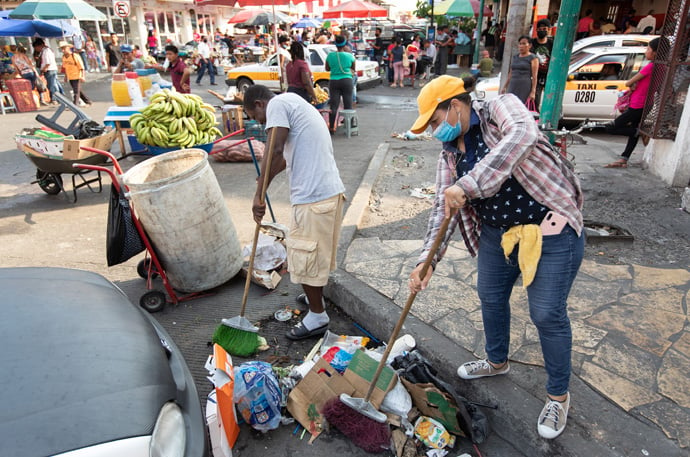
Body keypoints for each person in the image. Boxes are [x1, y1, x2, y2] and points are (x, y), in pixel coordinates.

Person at [408, 74, 584, 441]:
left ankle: (557, 396)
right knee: (489, 295)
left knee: (547, 313)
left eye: (436, 122)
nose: (434, 132)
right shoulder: (450, 153)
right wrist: (428, 260)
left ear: (455, 105)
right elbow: (444, 210)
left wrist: (468, 185)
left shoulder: (500, 107)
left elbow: (523, 135)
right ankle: (496, 361)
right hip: (497, 234)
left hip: (550, 228)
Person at [243, 85, 346, 341]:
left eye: (259, 119)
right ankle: (314, 298)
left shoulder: (277, 104)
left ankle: (317, 316)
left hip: (313, 198)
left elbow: (274, 149)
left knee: (303, 258)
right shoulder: (294, 104)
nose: (262, 123)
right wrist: (261, 184)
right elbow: (281, 160)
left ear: (259, 103)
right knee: (312, 256)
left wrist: (258, 196)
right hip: (326, 194)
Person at [604, 38, 659, 168]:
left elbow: (628, 82)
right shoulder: (662, 67)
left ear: (655, 52)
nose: (646, 51)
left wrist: (632, 83)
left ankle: (640, 132)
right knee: (633, 130)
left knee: (611, 127)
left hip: (638, 104)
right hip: (648, 103)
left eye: (648, 49)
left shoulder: (651, 66)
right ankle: (624, 158)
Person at [325, 35, 355, 134]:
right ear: (344, 43)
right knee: (348, 104)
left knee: (334, 105)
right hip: (347, 80)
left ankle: (331, 128)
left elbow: (327, 68)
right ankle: (349, 127)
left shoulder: (330, 56)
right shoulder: (350, 56)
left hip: (334, 81)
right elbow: (353, 68)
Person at [502, 35, 538, 105]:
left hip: (524, 86)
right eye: (520, 44)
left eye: (524, 44)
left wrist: (533, 91)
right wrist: (505, 86)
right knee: (510, 105)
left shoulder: (533, 58)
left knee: (521, 106)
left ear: (529, 45)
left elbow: (534, 76)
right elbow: (510, 73)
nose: (521, 46)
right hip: (513, 85)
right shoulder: (515, 57)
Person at [59, 41, 91, 106]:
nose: (63, 50)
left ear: (68, 48)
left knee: (76, 91)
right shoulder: (64, 57)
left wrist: (83, 76)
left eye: (64, 48)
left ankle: (75, 104)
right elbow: (65, 68)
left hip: (77, 75)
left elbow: (81, 67)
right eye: (62, 49)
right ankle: (88, 101)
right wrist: (65, 77)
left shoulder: (74, 56)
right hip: (70, 76)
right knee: (78, 90)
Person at [32, 38, 63, 105]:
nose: (36, 50)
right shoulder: (45, 51)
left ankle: (55, 98)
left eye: (36, 48)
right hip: (50, 69)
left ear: (39, 46)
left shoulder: (46, 51)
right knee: (54, 83)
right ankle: (60, 96)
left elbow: (48, 62)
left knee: (51, 85)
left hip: (50, 70)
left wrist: (44, 68)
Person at [531, 19, 553, 109]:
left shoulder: (552, 43)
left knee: (550, 100)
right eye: (540, 29)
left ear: (549, 30)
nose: (542, 31)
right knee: (535, 99)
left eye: (544, 29)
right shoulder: (532, 43)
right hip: (536, 75)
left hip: (549, 75)